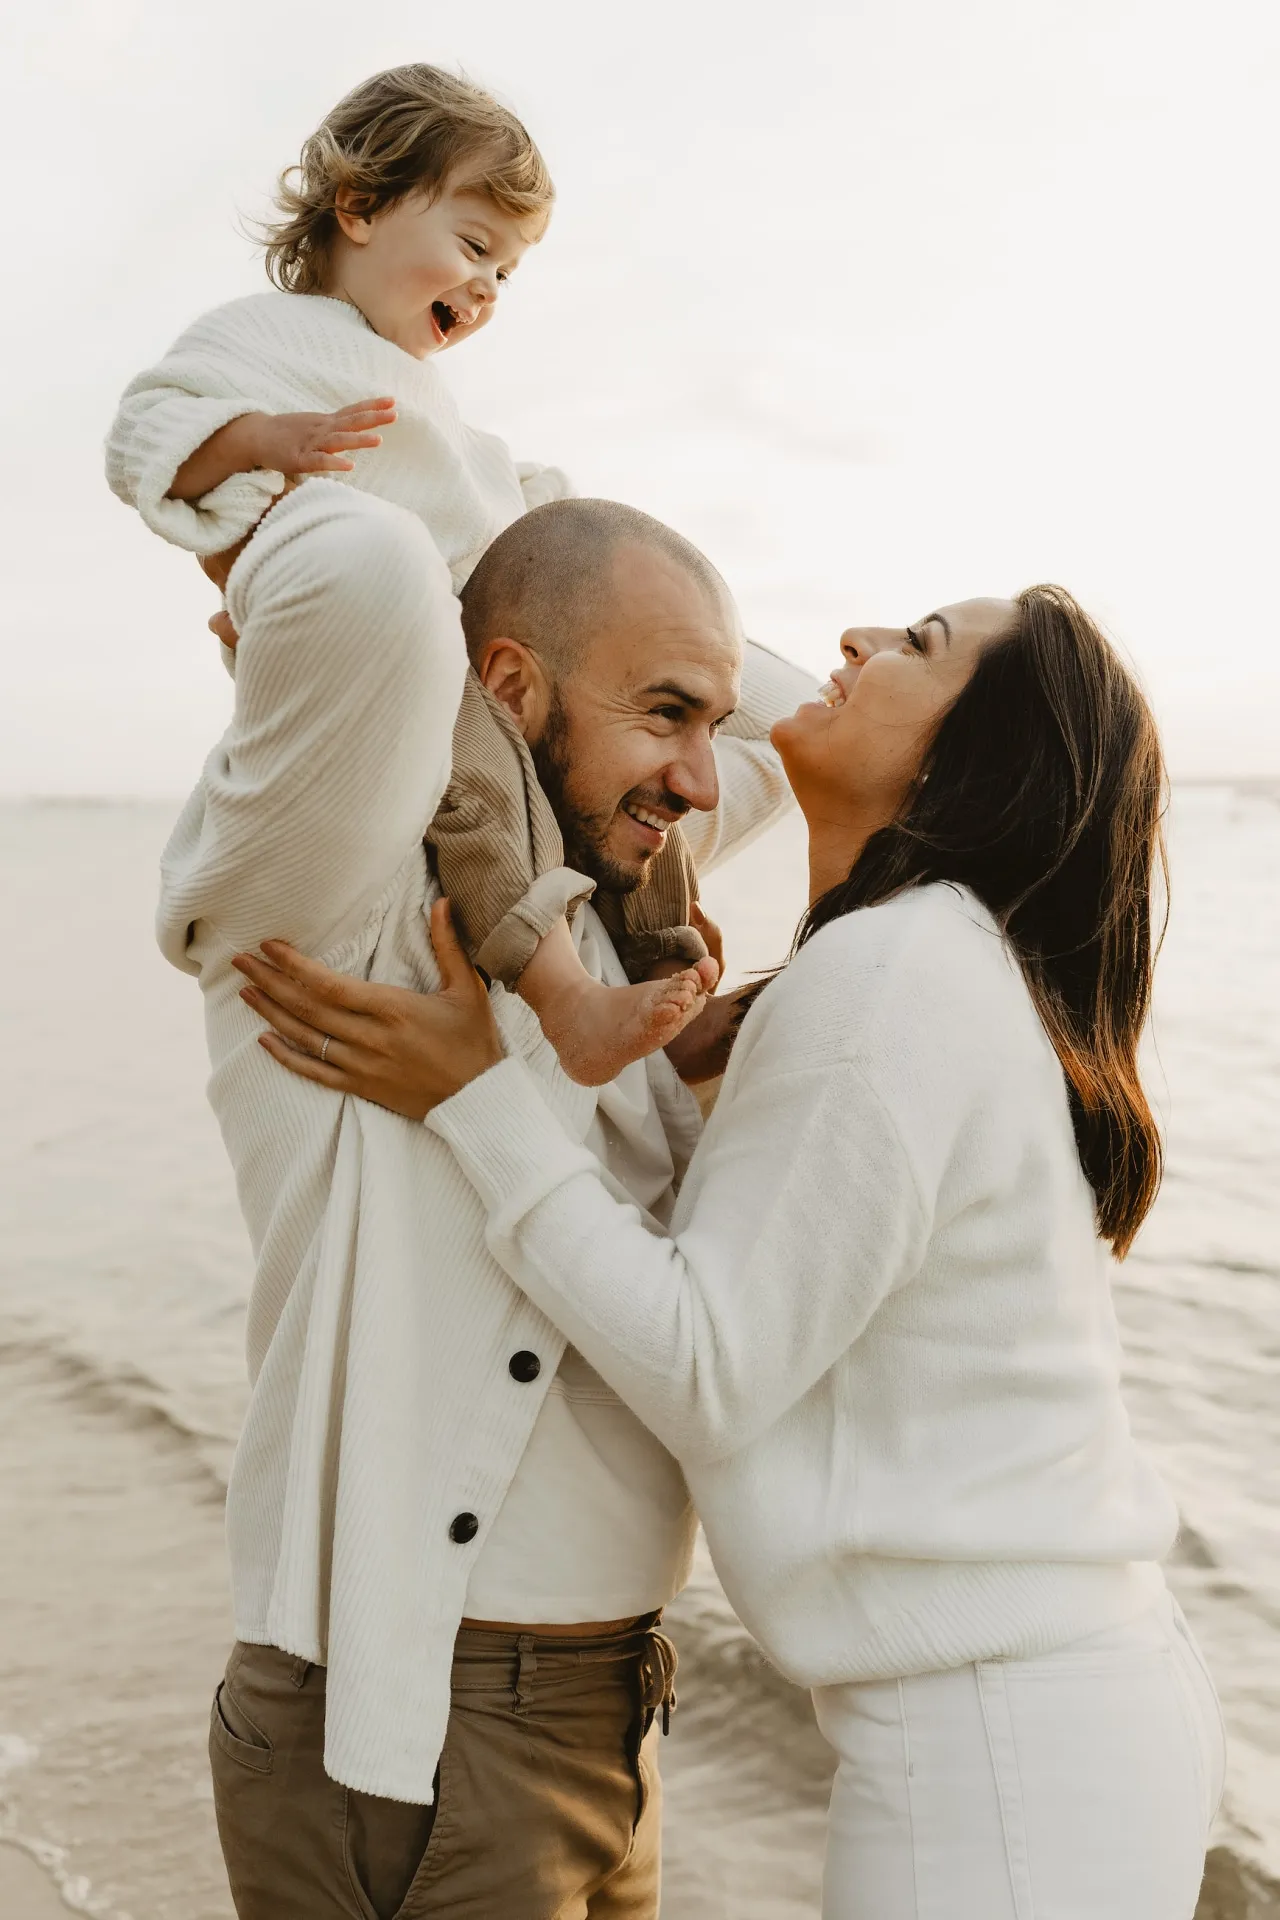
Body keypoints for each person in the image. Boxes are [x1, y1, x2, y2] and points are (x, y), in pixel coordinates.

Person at [244, 586, 1228, 1918]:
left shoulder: (892, 975)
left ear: (974, 758)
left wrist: (477, 1098)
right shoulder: (927, 965)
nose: (855, 644)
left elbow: (708, 1365)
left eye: (917, 647)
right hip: (1042, 1718)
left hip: (1002, 1745)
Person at [153, 474, 814, 1917]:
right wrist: (446, 495)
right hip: (416, 1738)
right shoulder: (345, 916)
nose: (705, 777)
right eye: (663, 713)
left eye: (703, 727)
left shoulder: (621, 922)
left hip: (613, 1716)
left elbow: (793, 707)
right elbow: (374, 572)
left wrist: (522, 514)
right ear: (503, 686)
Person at [106, 62, 717, 1091]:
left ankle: (664, 964)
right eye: (474, 246)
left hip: (501, 641)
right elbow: (144, 434)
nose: (486, 286)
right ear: (358, 207)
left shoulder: (425, 397)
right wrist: (261, 437)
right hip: (406, 659)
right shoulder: (268, 341)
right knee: (482, 792)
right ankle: (562, 997)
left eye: (507, 271)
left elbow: (490, 497)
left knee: (622, 776)